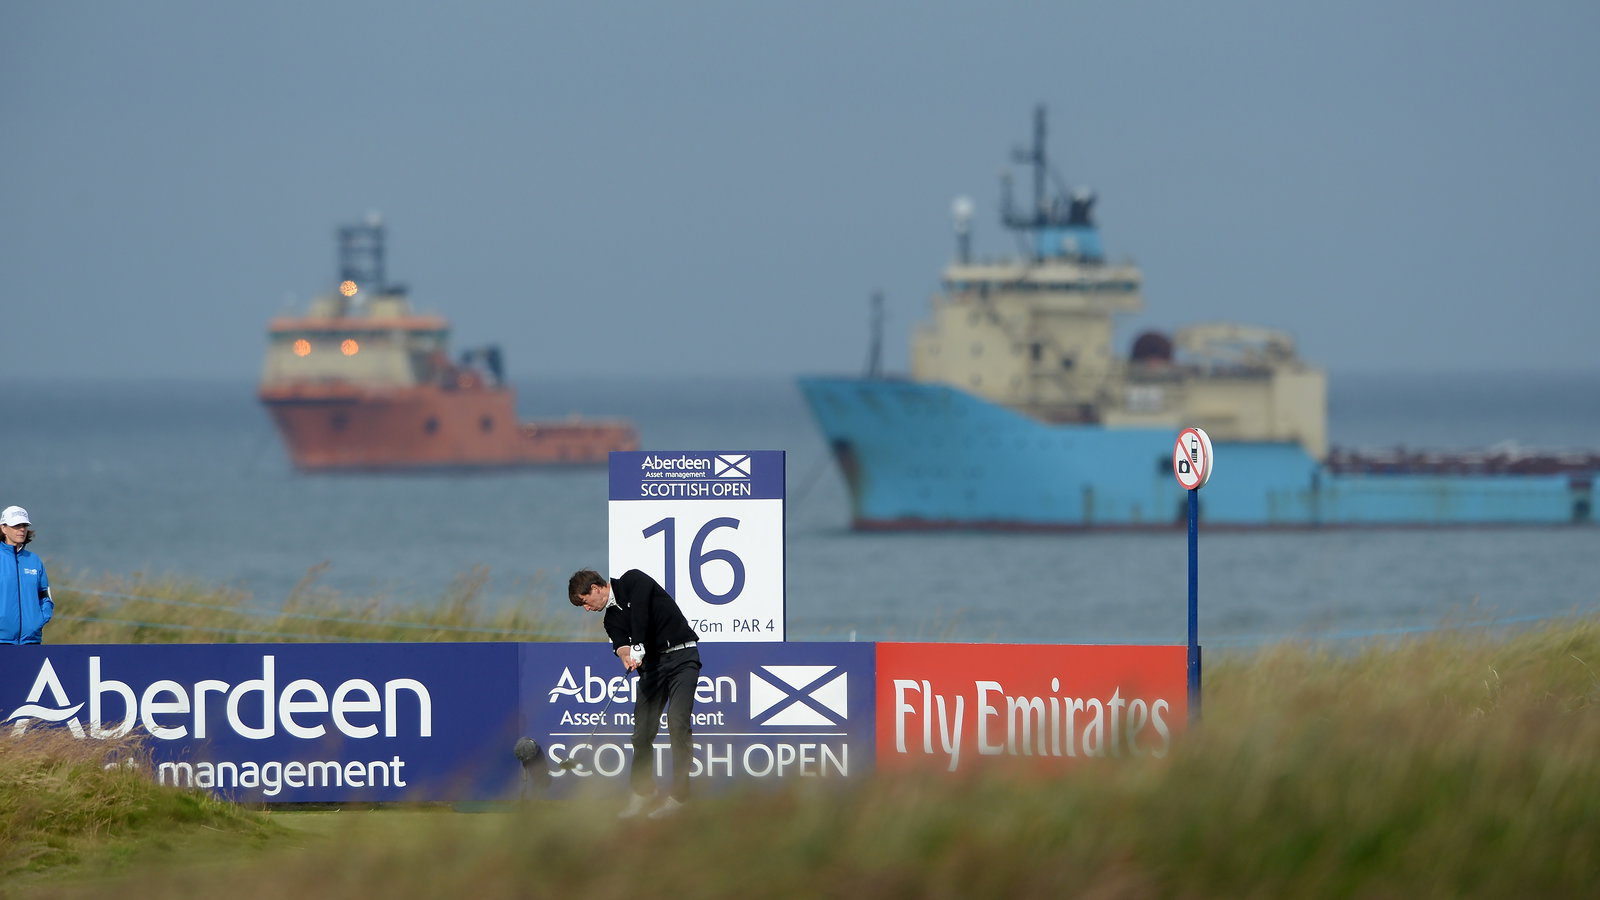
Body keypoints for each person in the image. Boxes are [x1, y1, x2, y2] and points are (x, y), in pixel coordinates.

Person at [569, 568, 701, 819]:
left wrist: (638, 644)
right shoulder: (610, 619)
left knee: (677, 723)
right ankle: (643, 793)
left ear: (595, 589)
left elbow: (641, 613)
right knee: (641, 733)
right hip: (652, 667)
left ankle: (680, 798)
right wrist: (627, 655)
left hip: (683, 658)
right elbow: (620, 645)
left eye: (584, 602)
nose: (586, 609)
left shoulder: (633, 580)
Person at [1, 506, 53, 645]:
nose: (22, 529)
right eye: (16, 525)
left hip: (31, 640)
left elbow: (44, 595)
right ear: (4, 528)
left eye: (24, 525)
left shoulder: (34, 560)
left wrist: (40, 620)